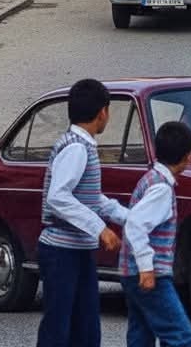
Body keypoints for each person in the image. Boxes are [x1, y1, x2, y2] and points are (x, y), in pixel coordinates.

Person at [37, 78, 128, 347]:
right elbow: (58, 197)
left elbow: (90, 199)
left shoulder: (82, 145)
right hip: (62, 251)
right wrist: (99, 228)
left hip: (78, 250)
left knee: (86, 328)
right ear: (103, 112)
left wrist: (128, 218)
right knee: (60, 329)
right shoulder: (76, 147)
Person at [119, 122, 191, 347]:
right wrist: (146, 267)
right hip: (151, 273)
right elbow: (135, 224)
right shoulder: (161, 188)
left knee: (141, 334)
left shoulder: (150, 179)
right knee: (179, 335)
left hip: (131, 272)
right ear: (186, 156)